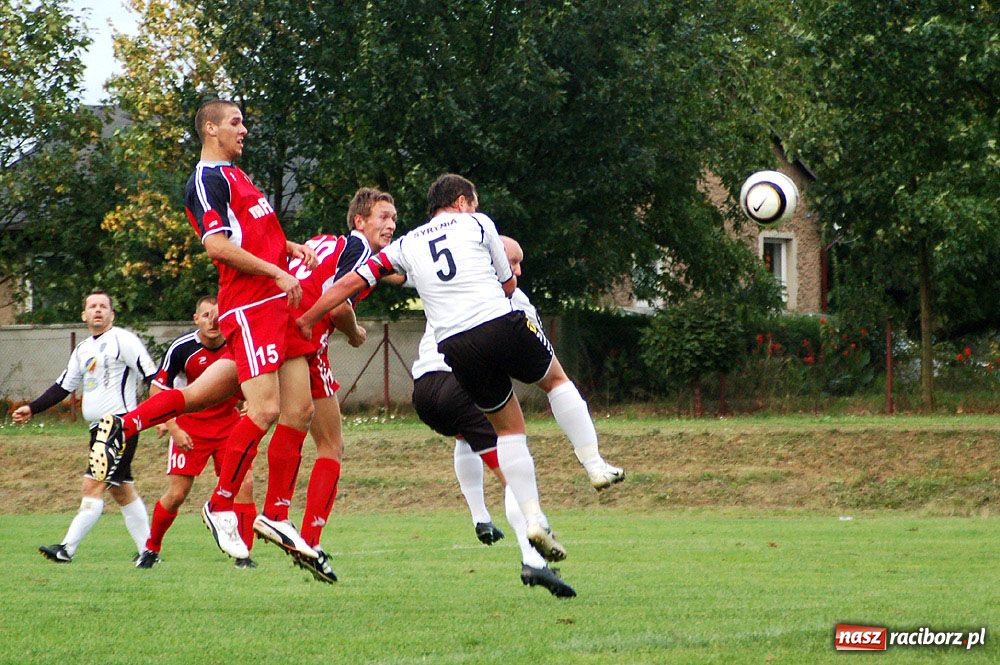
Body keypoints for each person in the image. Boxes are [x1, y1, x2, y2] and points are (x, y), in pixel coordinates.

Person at [92, 98, 321, 563]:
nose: (244, 129)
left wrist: (288, 248)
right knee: (265, 408)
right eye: (236, 122)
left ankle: (128, 424)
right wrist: (276, 272)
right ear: (211, 128)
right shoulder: (205, 178)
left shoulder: (238, 175)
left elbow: (253, 234)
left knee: (299, 409)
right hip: (251, 306)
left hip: (277, 303)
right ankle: (220, 505)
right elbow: (217, 245)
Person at [297, 173, 567, 563]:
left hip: (424, 391)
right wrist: (344, 328)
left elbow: (395, 274)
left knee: (466, 440)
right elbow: (344, 296)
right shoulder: (501, 295)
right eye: (512, 262)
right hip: (454, 383)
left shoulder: (433, 268)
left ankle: (480, 517)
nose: (516, 270)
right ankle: (533, 557)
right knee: (511, 465)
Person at [277, 187, 397, 584]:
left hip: (282, 327)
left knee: (320, 436)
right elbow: (340, 301)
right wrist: (354, 331)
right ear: (359, 221)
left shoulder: (325, 243)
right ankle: (294, 528)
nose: (391, 224)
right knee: (320, 438)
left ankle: (301, 537)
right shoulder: (359, 249)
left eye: (394, 219)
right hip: (304, 338)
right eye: (383, 217)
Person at [12, 290, 157, 563]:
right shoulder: (83, 349)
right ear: (84, 315)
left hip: (119, 425)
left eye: (103, 306)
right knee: (121, 490)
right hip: (97, 428)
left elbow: (152, 376)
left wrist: (160, 416)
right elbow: (63, 387)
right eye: (92, 306)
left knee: (92, 485)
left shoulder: (124, 340)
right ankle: (149, 550)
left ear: (112, 314)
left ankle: (66, 549)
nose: (98, 310)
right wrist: (32, 408)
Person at [134, 296, 258, 570]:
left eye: (218, 315)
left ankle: (244, 555)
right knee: (178, 494)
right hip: (190, 427)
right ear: (196, 319)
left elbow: (255, 378)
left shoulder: (238, 343)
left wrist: (252, 399)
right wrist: (173, 428)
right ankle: (151, 548)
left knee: (245, 484)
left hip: (229, 427)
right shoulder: (182, 347)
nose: (213, 321)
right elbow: (158, 389)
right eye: (206, 315)